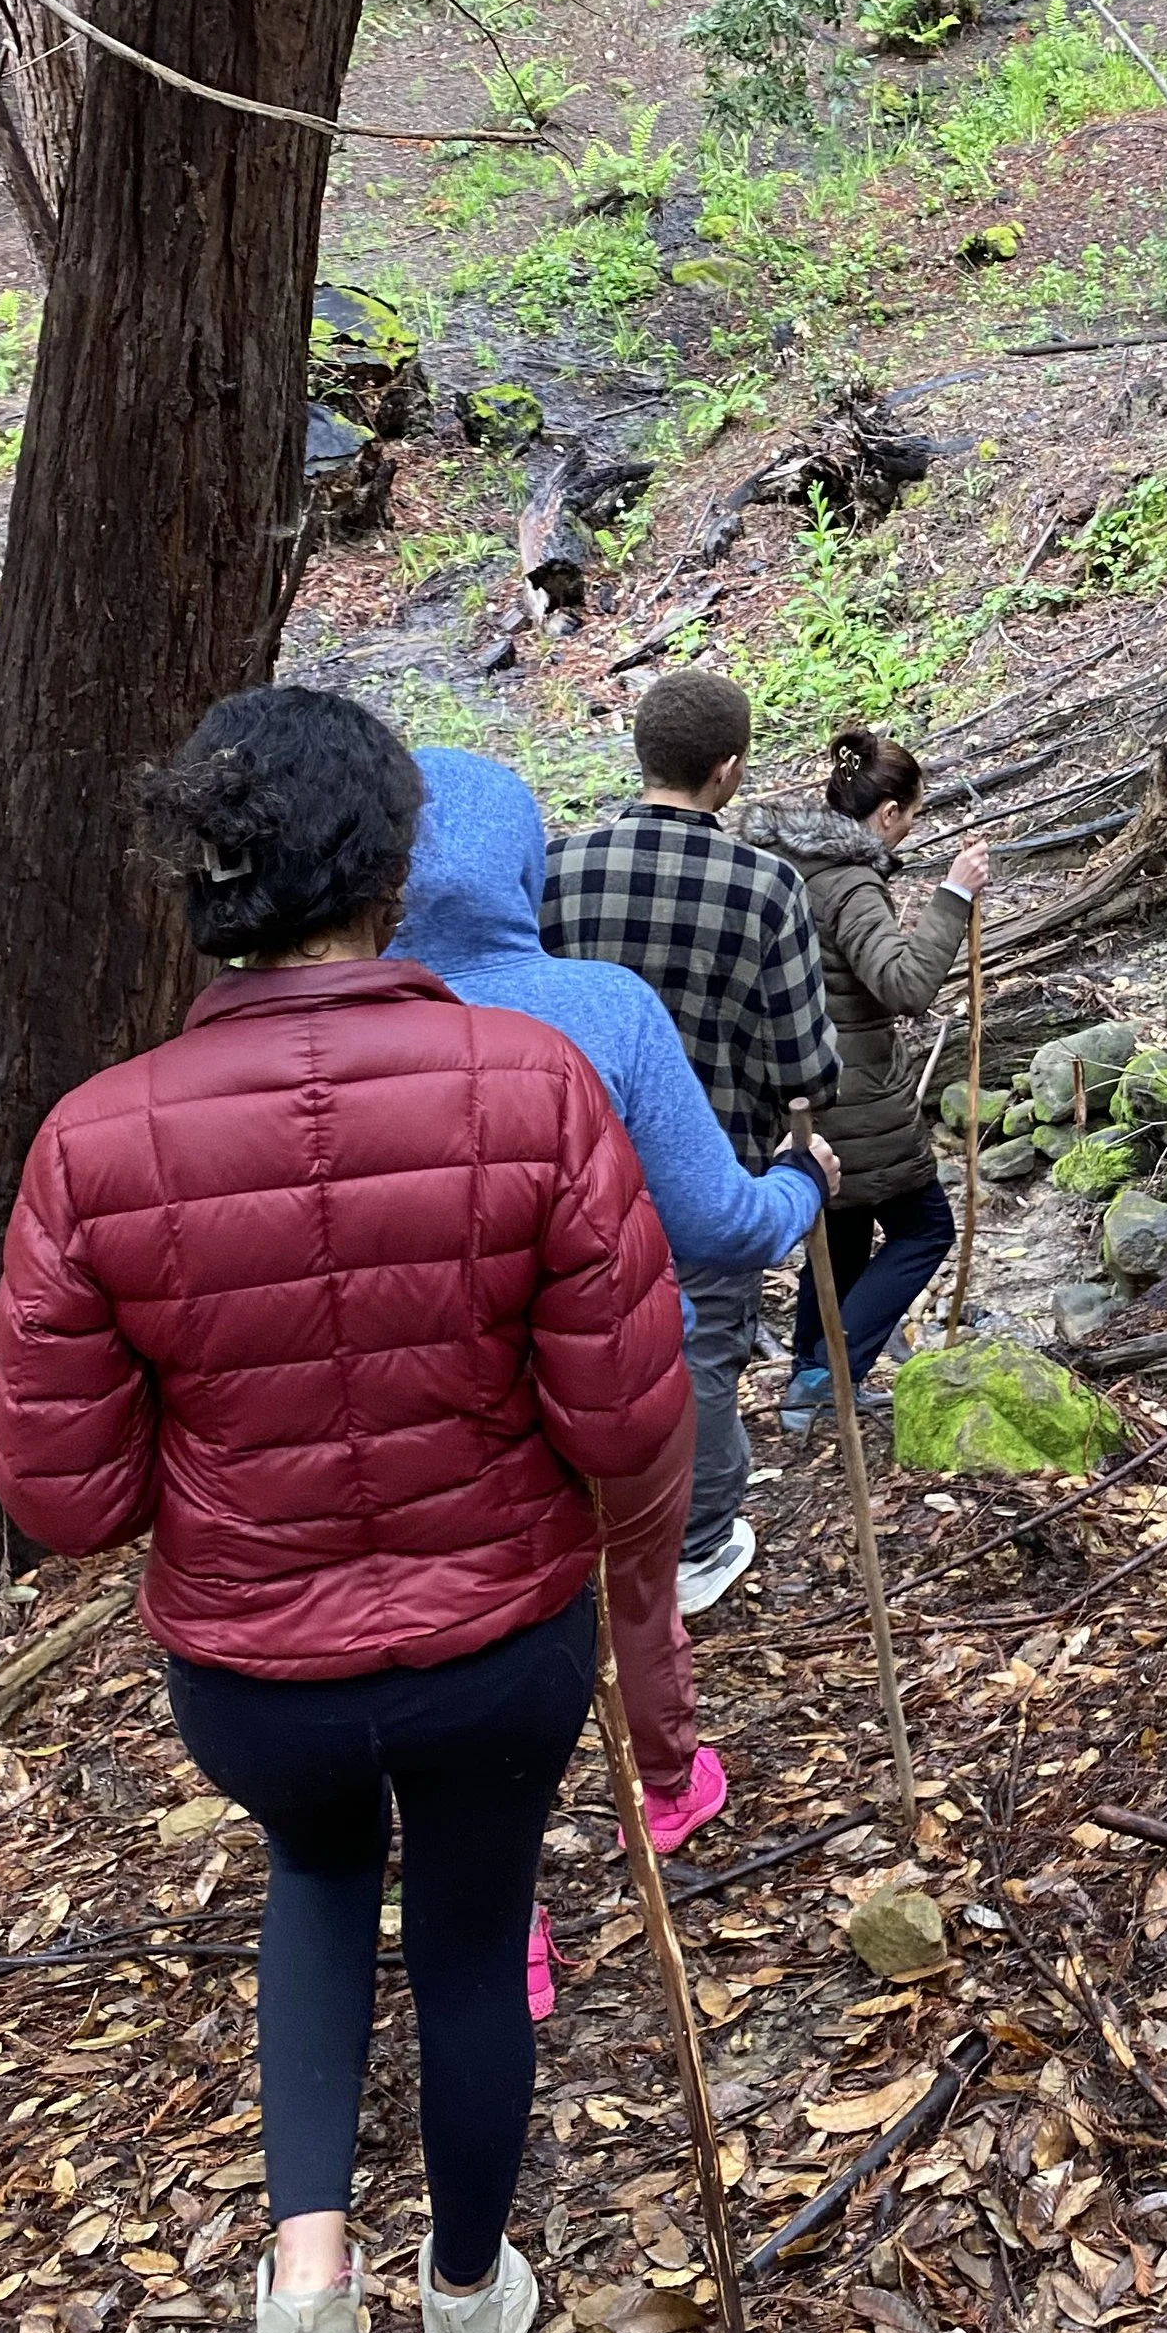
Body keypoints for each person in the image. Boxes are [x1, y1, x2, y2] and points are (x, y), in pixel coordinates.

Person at [0, 687, 691, 2333]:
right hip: (496, 1639)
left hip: (253, 1667)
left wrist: (224, 1467)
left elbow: (63, 1493)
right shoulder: (528, 1082)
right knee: (467, 1933)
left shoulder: (96, 1140)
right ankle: (465, 2309)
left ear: (198, 887)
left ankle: (305, 2309)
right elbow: (623, 1411)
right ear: (389, 867)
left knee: (313, 1881)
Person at [392, 745, 839, 2009]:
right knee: (635, 1584)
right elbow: (719, 1225)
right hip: (608, 1386)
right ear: (524, 871)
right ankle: (668, 1778)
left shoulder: (336, 1039)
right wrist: (804, 1182)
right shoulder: (598, 1009)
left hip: (426, 1409)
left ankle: (501, 1910)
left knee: (461, 1638)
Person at [541, 670, 839, 1615]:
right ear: (729, 770)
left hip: (563, 1162)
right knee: (702, 1350)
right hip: (711, 1157)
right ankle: (700, 1542)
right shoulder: (764, 885)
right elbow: (804, 1064)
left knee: (576, 1346)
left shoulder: (557, 867)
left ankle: (586, 1527)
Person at [743, 728, 988, 1427]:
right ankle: (831, 1377)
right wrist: (954, 896)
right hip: (856, 1103)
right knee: (923, 1228)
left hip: (800, 1096)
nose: (908, 829)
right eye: (910, 815)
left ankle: (807, 1383)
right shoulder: (850, 882)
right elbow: (905, 984)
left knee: (843, 1235)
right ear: (885, 815)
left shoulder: (784, 866)